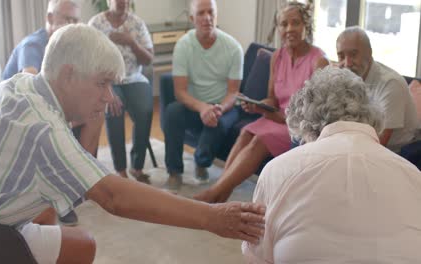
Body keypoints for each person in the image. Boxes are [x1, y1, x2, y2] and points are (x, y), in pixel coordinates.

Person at [0, 24, 266, 264]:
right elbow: (113, 196)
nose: (108, 96)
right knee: (84, 244)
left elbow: (81, 166)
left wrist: (92, 116)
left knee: (49, 205)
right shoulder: (44, 129)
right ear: (68, 75)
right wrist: (212, 218)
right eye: (101, 83)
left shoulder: (20, 84)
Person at [242, 66, 421, 263]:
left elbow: (256, 256)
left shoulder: (278, 171)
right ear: (373, 117)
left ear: (305, 123)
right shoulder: (413, 175)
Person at [195, 1, 328, 203]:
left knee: (260, 140)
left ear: (306, 26)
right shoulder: (278, 56)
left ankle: (214, 194)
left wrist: (273, 113)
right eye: (284, 24)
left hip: (299, 126)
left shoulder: (318, 61)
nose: (289, 29)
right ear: (279, 29)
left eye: (296, 23)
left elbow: (313, 115)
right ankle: (220, 192)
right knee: (246, 132)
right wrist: (258, 105)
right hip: (275, 117)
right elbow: (272, 98)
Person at [1, 0, 103, 225]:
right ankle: (60, 194)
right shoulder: (34, 45)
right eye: (67, 20)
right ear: (49, 19)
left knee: (96, 111)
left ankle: (79, 183)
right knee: (54, 120)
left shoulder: (68, 47)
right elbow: (31, 88)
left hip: (44, 110)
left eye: (76, 21)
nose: (72, 26)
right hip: (16, 119)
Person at [163, 0, 244, 192]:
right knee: (172, 111)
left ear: (216, 15)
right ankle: (174, 172)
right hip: (194, 104)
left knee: (218, 124)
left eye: (211, 12)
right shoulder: (183, 46)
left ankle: (202, 162)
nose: (207, 18)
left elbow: (233, 92)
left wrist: (217, 109)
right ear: (192, 18)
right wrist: (202, 108)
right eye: (201, 13)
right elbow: (180, 92)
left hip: (224, 106)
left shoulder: (233, 48)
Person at [89, 0, 154, 183]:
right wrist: (107, 87)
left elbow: (148, 59)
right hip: (107, 80)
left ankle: (137, 166)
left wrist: (132, 42)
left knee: (145, 110)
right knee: (113, 110)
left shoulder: (137, 24)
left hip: (133, 77)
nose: (123, 1)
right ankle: (120, 169)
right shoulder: (96, 24)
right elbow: (88, 61)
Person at [336, 26, 418, 153]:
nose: (346, 63)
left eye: (353, 54)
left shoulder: (390, 84)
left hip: (403, 152)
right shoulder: (346, 80)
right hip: (364, 144)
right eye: (341, 56)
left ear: (369, 54)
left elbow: (379, 141)